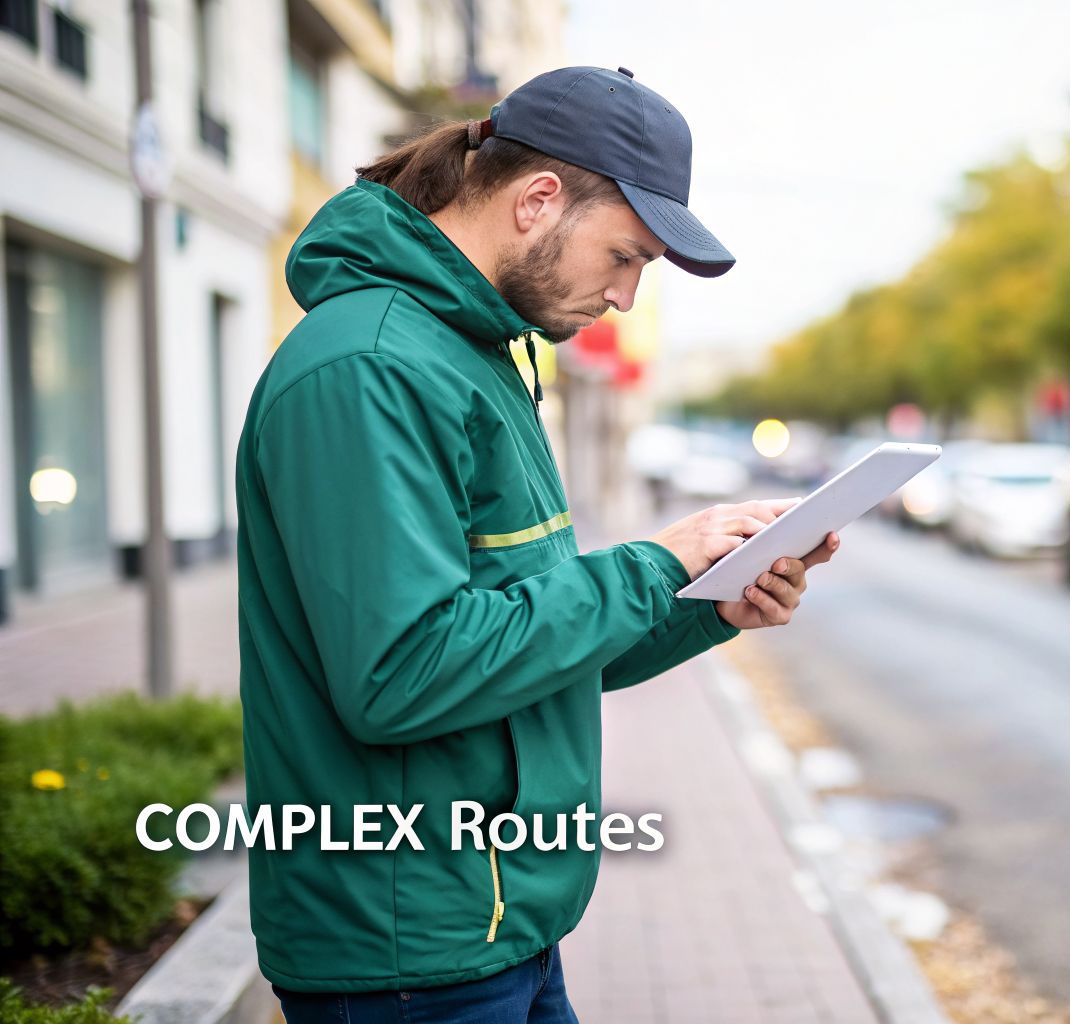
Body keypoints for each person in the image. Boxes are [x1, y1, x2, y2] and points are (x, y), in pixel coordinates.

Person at [235, 66, 832, 1021]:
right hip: (407, 949)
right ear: (538, 200)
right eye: (626, 255)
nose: (628, 296)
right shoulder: (373, 366)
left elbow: (522, 647)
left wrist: (707, 604)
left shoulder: (475, 353)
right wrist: (651, 565)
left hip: (492, 924)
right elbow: (402, 673)